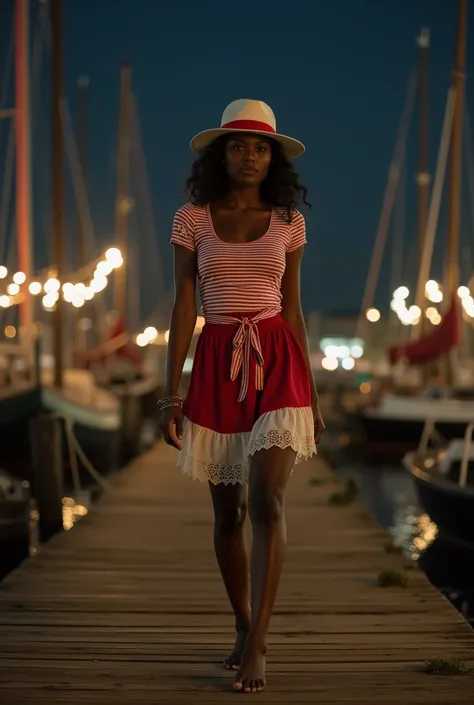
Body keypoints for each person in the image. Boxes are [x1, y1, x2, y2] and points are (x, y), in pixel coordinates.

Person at [159, 98, 325, 694]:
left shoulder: (289, 221)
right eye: (238, 146)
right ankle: (240, 621)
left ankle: (259, 643)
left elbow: (296, 309)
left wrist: (314, 393)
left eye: (260, 147)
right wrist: (170, 392)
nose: (249, 156)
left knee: (267, 499)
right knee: (227, 513)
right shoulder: (191, 219)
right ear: (220, 154)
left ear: (272, 156)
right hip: (216, 361)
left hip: (278, 358)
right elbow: (183, 305)